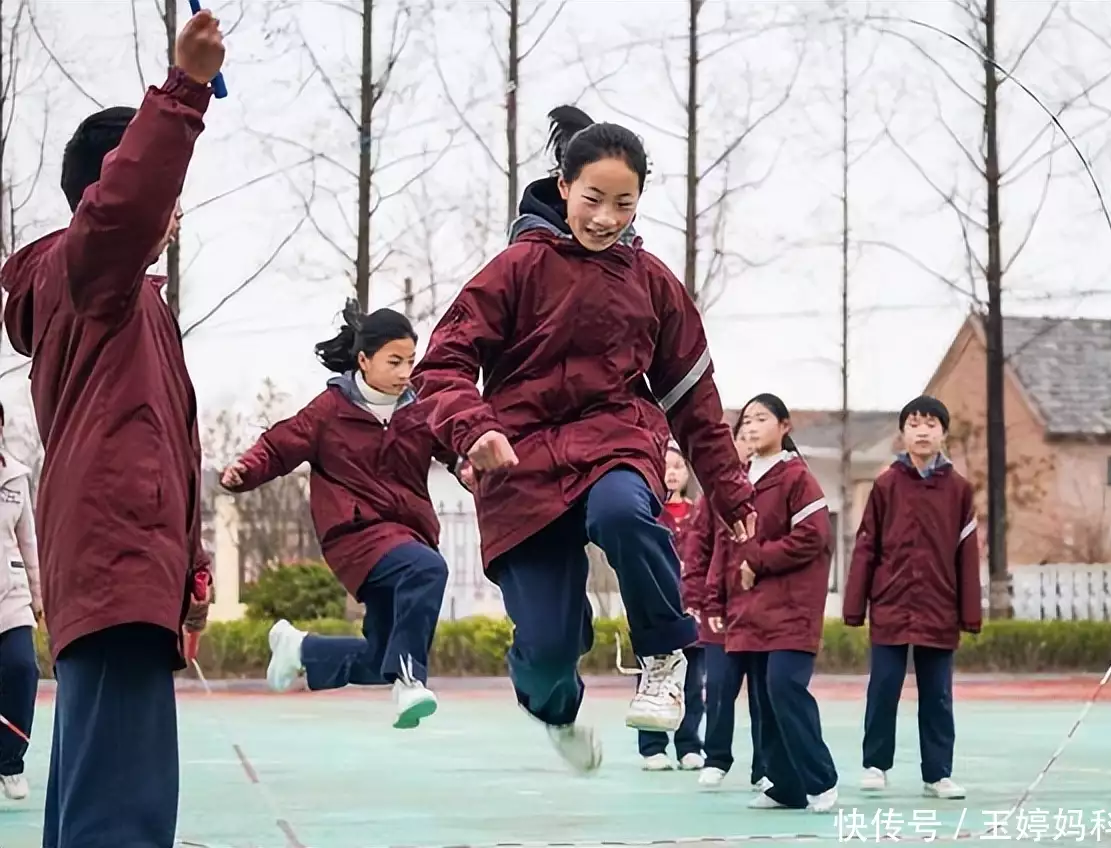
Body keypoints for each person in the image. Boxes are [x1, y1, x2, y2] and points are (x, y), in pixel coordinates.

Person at [411, 105, 756, 773]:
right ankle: (556, 705)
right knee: (545, 649)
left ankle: (663, 656)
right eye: (593, 199)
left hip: (613, 439)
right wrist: (472, 428)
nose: (605, 218)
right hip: (521, 462)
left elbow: (692, 396)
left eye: (624, 205)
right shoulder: (514, 270)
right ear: (563, 187)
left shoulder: (651, 282)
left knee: (624, 511)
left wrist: (731, 487)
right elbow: (442, 366)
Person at [0, 12, 222, 846]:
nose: (172, 215)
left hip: (125, 563)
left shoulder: (119, 304)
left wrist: (190, 576)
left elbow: (166, 446)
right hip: (113, 555)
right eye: (165, 197)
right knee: (121, 806)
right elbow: (124, 208)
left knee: (98, 787)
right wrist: (183, 91)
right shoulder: (91, 271)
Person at [221, 301, 455, 729]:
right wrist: (244, 471)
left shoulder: (418, 411)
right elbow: (279, 446)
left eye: (410, 361)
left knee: (376, 660)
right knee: (429, 571)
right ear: (364, 360)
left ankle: (301, 649)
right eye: (394, 361)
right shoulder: (330, 410)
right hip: (355, 535)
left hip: (407, 535)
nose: (405, 372)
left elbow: (454, 449)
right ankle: (410, 678)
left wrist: (474, 468)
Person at [703, 394, 838, 813]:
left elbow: (814, 536)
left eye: (762, 418)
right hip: (749, 609)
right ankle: (785, 787)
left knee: (785, 687)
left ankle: (822, 781)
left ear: (785, 426)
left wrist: (758, 561)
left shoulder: (797, 477)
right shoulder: (739, 483)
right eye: (746, 420)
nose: (751, 426)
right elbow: (725, 548)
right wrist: (718, 600)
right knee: (762, 698)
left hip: (791, 607)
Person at [842, 395, 981, 801]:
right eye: (914, 424)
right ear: (902, 433)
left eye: (931, 424)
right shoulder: (886, 484)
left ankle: (938, 774)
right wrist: (855, 606)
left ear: (943, 432)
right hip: (891, 604)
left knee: (937, 695)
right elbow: (866, 546)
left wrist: (969, 612)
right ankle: (875, 765)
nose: (922, 431)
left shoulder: (959, 489)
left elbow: (967, 553)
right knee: (883, 688)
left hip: (940, 606)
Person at [692, 423, 768, 791]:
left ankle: (764, 766)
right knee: (720, 685)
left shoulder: (782, 484)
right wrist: (695, 597)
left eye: (760, 423)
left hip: (765, 608)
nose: (751, 436)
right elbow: (699, 547)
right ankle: (716, 758)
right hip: (720, 605)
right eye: (744, 430)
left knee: (764, 692)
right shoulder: (715, 491)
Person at [638, 442, 706, 770]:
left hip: (692, 611)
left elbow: (705, 562)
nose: (672, 473)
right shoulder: (646, 513)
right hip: (654, 612)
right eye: (666, 466)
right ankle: (652, 747)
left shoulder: (698, 514)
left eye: (678, 467)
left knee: (692, 684)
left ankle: (689, 745)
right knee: (653, 679)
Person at [0, 401, 41, 802]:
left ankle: (10, 762)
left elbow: (28, 541)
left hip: (12, 597)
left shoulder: (16, 477)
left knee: (22, 670)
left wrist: (40, 597)